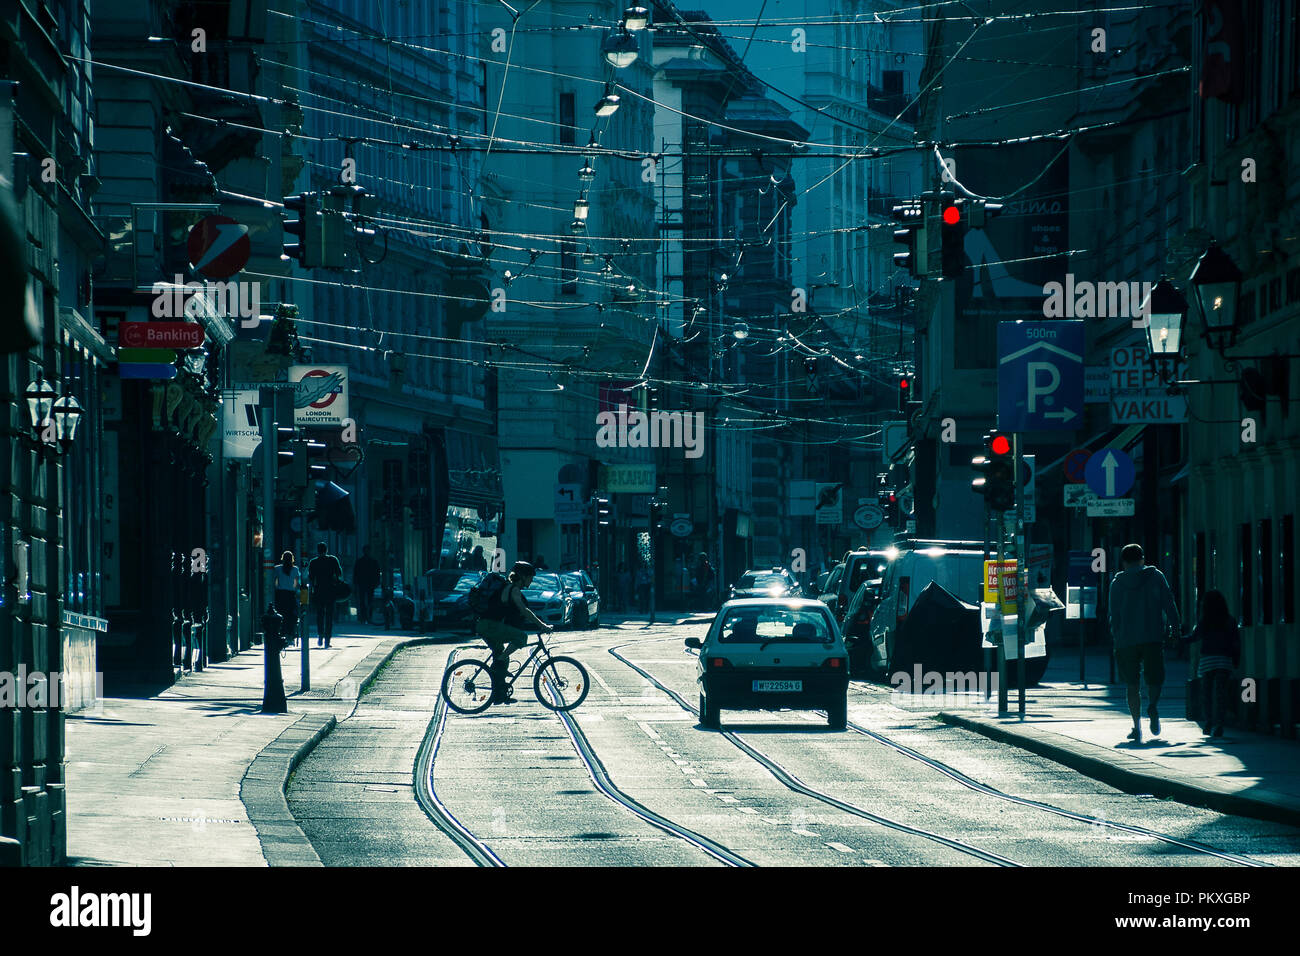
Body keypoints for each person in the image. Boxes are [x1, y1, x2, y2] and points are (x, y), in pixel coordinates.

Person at [1109, 543, 1181, 743]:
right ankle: (1153, 706)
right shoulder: (1156, 577)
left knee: (1132, 684)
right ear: (1142, 558)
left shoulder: (1117, 583)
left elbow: (1113, 614)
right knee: (1155, 677)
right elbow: (1169, 603)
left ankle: (1137, 726)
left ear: (1124, 561)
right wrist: (1175, 628)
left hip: (1126, 641)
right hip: (1152, 637)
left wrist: (1115, 635)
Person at [476, 561, 553, 704]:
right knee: (521, 637)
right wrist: (542, 625)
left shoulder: (509, 587)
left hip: (486, 625)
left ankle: (498, 694)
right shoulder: (513, 589)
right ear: (522, 577)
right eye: (530, 577)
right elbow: (524, 610)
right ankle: (498, 664)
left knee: (504, 657)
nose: (532, 581)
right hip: (489, 626)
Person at [1183, 589, 1241, 738]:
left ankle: (1208, 721)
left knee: (1207, 694)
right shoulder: (1230, 620)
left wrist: (1179, 639)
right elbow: (1236, 643)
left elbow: (1194, 637)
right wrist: (1236, 660)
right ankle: (1220, 724)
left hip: (1207, 660)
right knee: (1221, 694)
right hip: (1224, 660)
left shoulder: (1205, 621)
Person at [308, 542, 344, 648]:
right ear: (326, 550)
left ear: (317, 550)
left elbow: (310, 578)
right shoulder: (333, 560)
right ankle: (327, 640)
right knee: (329, 616)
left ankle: (320, 635)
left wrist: (311, 592)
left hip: (319, 591)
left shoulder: (313, 562)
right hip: (330, 591)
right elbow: (339, 574)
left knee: (320, 615)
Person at [272, 551, 303, 647]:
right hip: (290, 595)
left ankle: (282, 633)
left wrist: (277, 588)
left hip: (280, 594)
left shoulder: (277, 569)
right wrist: (294, 589)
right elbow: (297, 583)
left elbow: (275, 582)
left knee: (281, 614)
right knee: (291, 615)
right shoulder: (295, 569)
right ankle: (291, 635)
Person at [353, 546, 380, 625]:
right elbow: (377, 573)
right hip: (367, 583)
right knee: (367, 601)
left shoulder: (360, 561)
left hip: (364, 583)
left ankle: (365, 617)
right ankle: (367, 617)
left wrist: (355, 583)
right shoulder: (373, 561)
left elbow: (356, 574)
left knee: (365, 601)